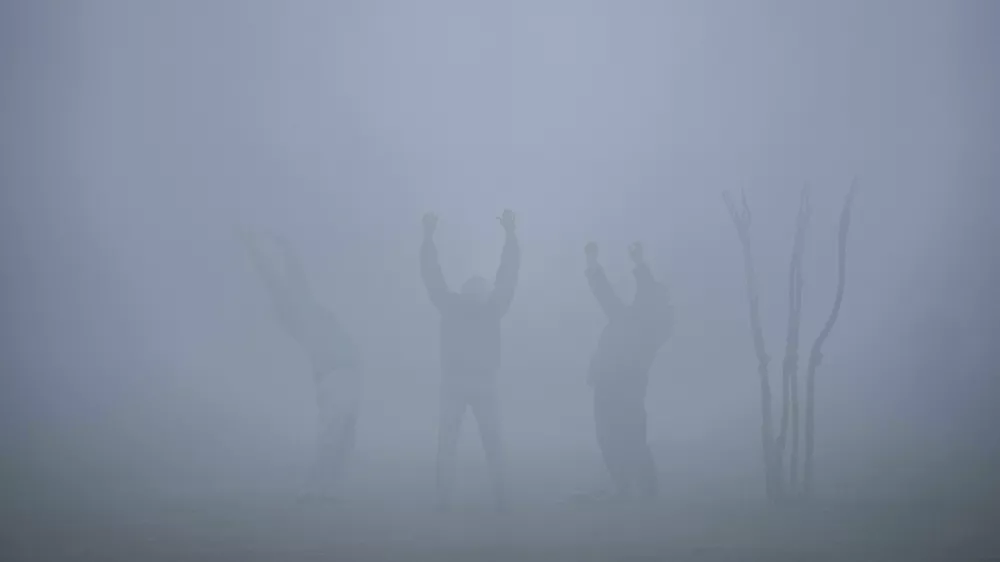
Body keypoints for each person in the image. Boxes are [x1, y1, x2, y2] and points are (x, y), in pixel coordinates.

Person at [240, 228, 363, 501]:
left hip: (345, 373)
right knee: (333, 434)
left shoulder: (303, 311)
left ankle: (328, 486)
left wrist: (283, 248)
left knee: (343, 433)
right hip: (336, 375)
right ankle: (315, 486)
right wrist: (261, 247)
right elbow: (276, 279)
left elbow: (290, 278)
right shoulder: (300, 313)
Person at [420, 209, 520, 512]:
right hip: (477, 381)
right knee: (488, 441)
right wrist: (511, 236)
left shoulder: (454, 305)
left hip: (460, 381)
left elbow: (432, 275)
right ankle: (497, 497)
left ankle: (447, 499)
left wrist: (427, 238)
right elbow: (508, 275)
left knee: (452, 442)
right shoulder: (491, 308)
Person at [584, 241, 673, 500]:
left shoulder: (652, 326)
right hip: (606, 384)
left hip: (628, 388)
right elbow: (605, 294)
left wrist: (639, 264)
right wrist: (592, 263)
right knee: (606, 437)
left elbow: (634, 293)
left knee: (632, 438)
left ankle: (647, 491)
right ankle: (624, 485)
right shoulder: (628, 317)